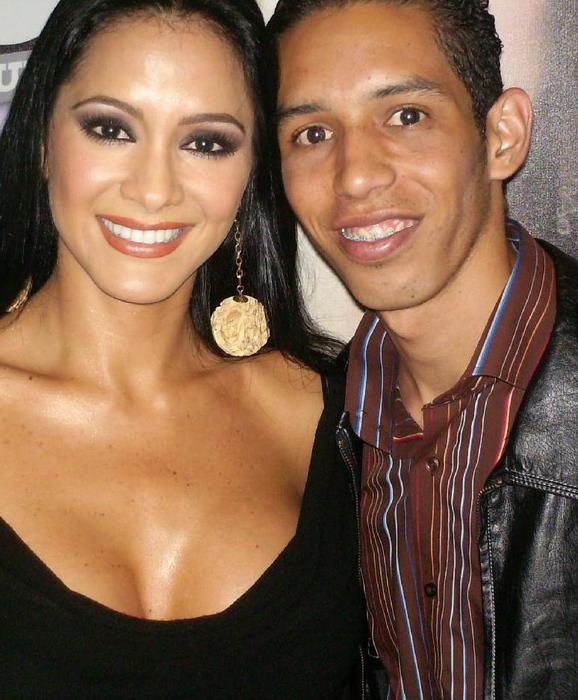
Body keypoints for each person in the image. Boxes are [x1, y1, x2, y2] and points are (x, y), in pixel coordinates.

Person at [0, 0, 367, 696]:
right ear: (43, 140)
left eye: (205, 143)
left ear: (251, 170)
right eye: (111, 129)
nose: (153, 190)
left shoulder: (343, 414)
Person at [268, 0, 578, 698]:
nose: (354, 176)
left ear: (502, 136)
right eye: (313, 133)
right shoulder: (317, 422)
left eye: (406, 116)